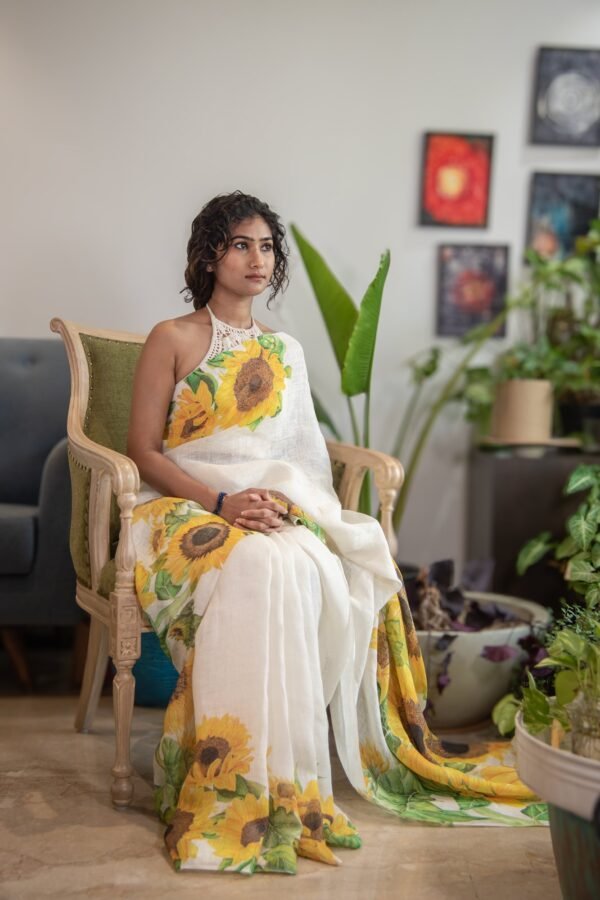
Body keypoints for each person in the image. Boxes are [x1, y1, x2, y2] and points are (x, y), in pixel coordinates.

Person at [128, 191, 542, 876]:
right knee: (257, 565)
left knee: (294, 564)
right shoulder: (170, 338)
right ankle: (228, 784)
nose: (257, 259)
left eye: (267, 247)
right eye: (240, 244)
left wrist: (284, 506)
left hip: (264, 507)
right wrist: (222, 502)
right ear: (208, 255)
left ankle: (285, 783)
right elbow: (143, 451)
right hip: (181, 507)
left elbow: (298, 460)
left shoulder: (284, 352)